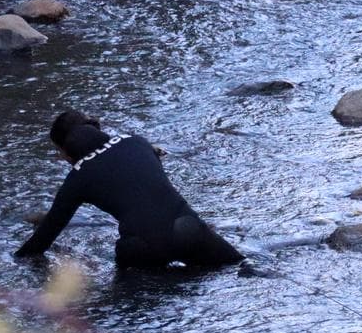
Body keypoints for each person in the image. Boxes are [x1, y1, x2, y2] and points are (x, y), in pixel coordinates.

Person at [15, 110, 244, 269]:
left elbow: (45, 236)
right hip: (191, 229)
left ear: (67, 148)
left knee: (131, 277)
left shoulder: (78, 177)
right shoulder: (137, 142)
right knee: (236, 265)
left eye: (59, 152)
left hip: (143, 248)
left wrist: (14, 259)